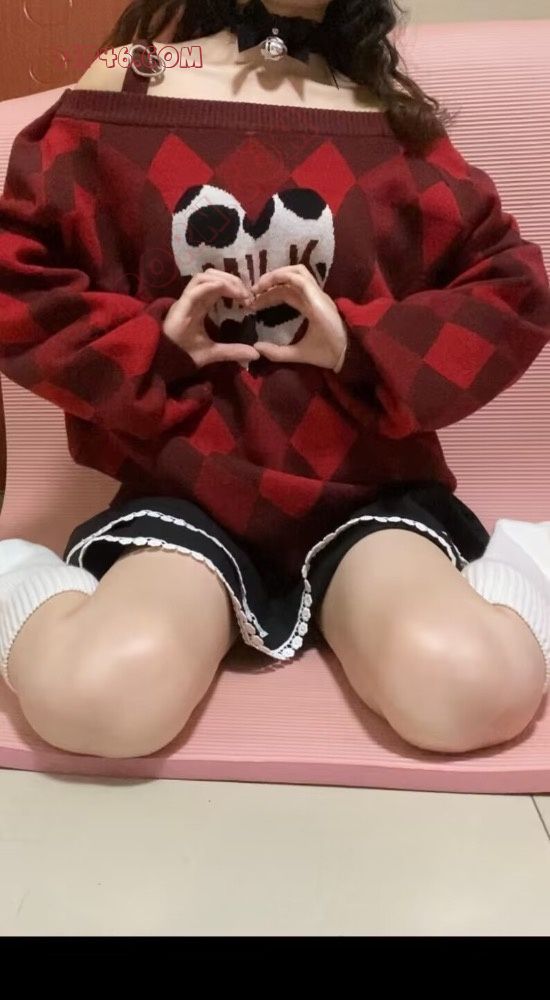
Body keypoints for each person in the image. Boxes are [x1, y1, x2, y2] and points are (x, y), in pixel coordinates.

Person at [0, 0, 549, 761]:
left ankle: (531, 557)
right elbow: (17, 275)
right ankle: (14, 569)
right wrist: (150, 347)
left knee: (473, 690)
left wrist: (361, 345)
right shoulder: (132, 84)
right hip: (186, 491)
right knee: (95, 698)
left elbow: (512, 289)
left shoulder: (386, 115)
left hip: (369, 493)